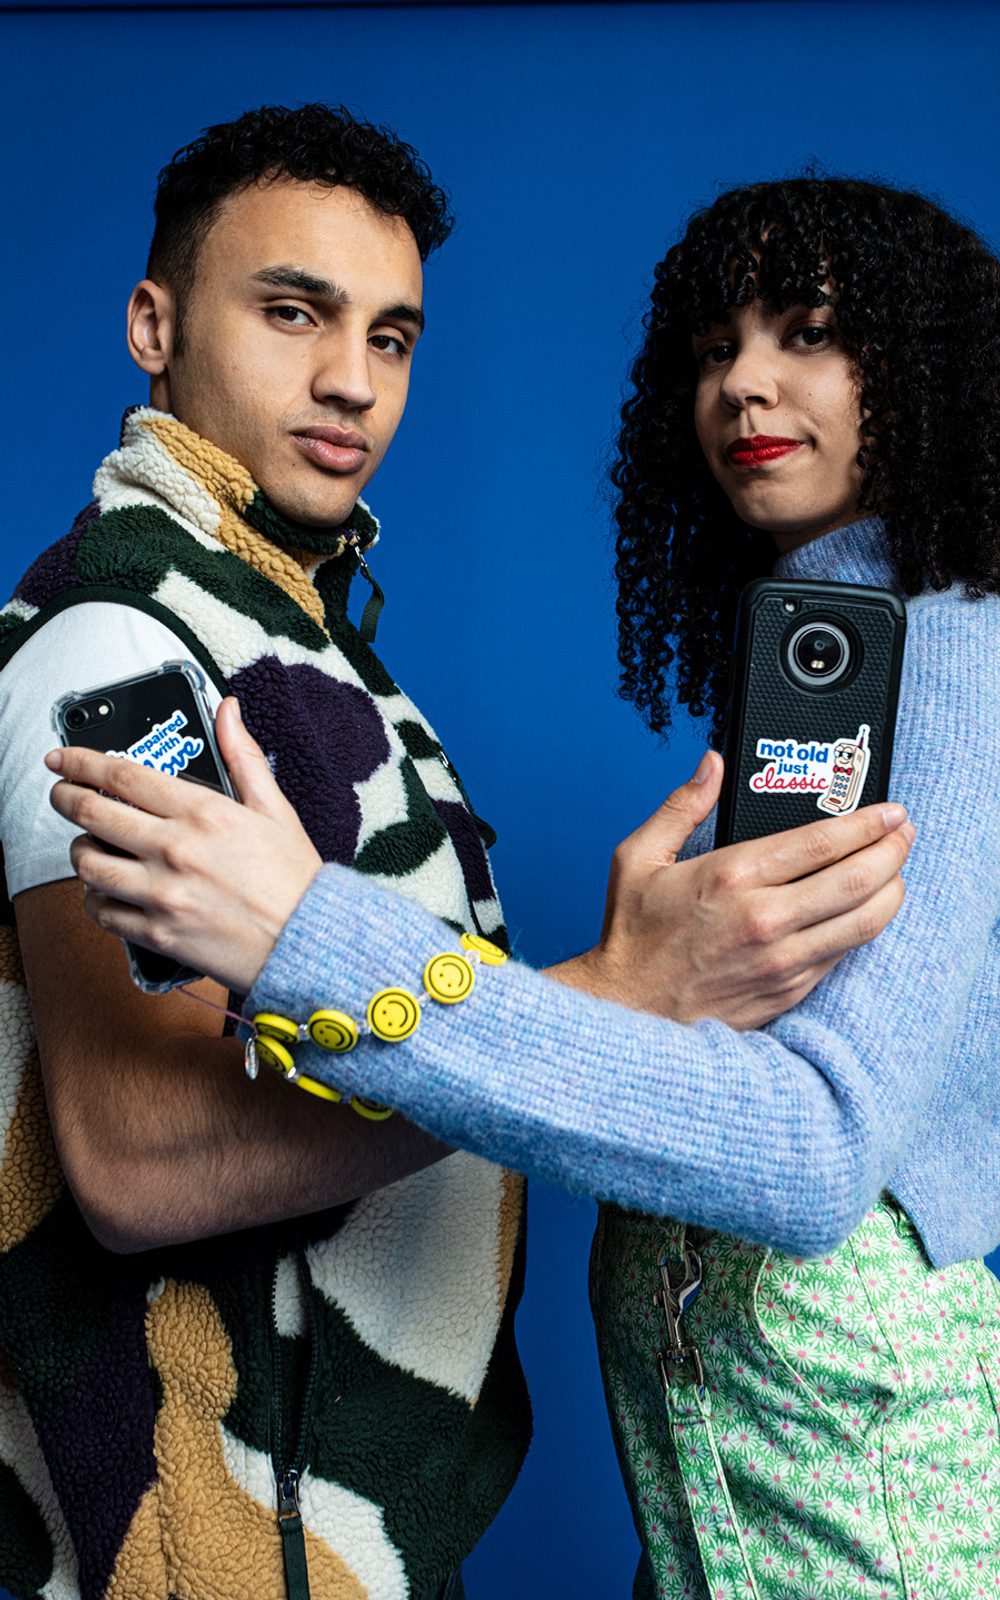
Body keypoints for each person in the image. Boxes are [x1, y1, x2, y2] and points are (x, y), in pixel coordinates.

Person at [51, 174, 1000, 1598]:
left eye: (807, 333)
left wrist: (312, 937)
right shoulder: (828, 642)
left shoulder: (958, 638)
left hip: (848, 1478)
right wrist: (641, 982)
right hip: (720, 1469)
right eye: (712, 347)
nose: (745, 382)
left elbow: (817, 1155)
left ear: (919, 369)